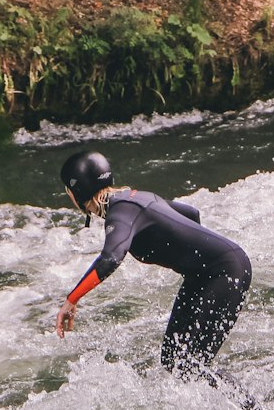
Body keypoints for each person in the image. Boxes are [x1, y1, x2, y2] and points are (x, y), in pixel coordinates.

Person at [55, 149, 252, 384]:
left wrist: (72, 299)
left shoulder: (120, 213)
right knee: (172, 361)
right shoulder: (134, 198)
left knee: (190, 366)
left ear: (76, 192)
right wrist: (190, 255)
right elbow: (191, 213)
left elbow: (111, 258)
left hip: (225, 272)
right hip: (204, 274)